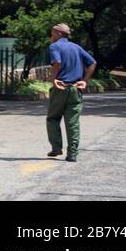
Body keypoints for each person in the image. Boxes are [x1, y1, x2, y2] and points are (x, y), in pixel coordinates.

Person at [46, 23, 96, 162]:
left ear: (59, 33)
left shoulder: (55, 46)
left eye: (53, 32)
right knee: (72, 122)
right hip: (75, 89)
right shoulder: (76, 47)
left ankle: (56, 148)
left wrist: (53, 79)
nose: (51, 35)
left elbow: (57, 62)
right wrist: (85, 81)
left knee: (53, 118)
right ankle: (72, 154)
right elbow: (92, 63)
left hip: (60, 88)